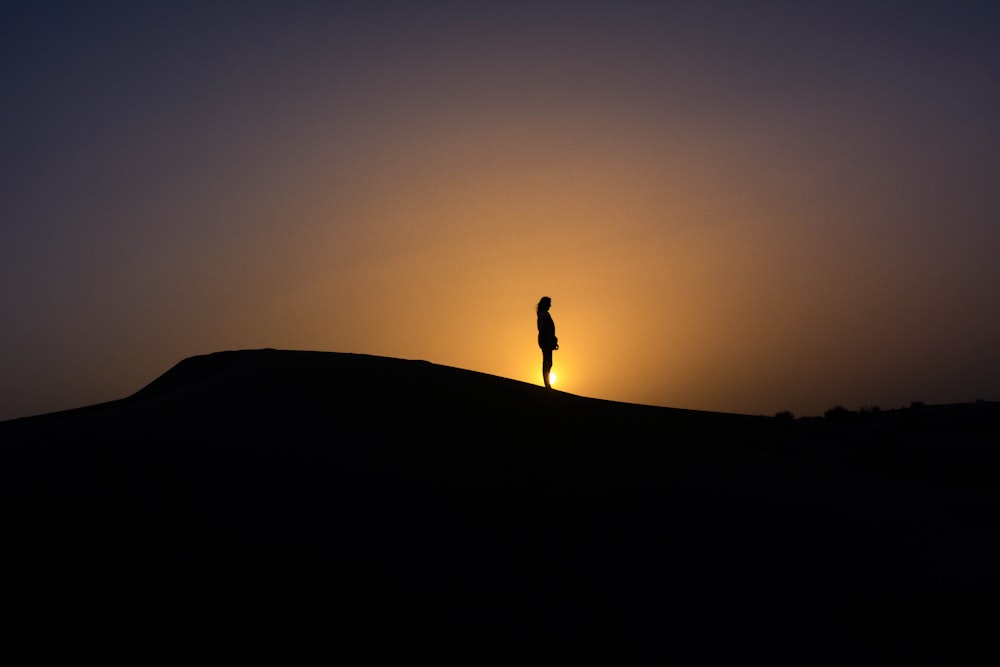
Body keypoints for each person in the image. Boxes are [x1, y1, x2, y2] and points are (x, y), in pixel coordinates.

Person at [536, 296, 558, 388]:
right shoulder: (543, 314)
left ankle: (547, 383)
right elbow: (543, 328)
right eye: (549, 303)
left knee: (548, 362)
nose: (550, 305)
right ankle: (547, 384)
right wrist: (550, 339)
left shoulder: (543, 314)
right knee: (547, 362)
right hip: (545, 339)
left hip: (546, 339)